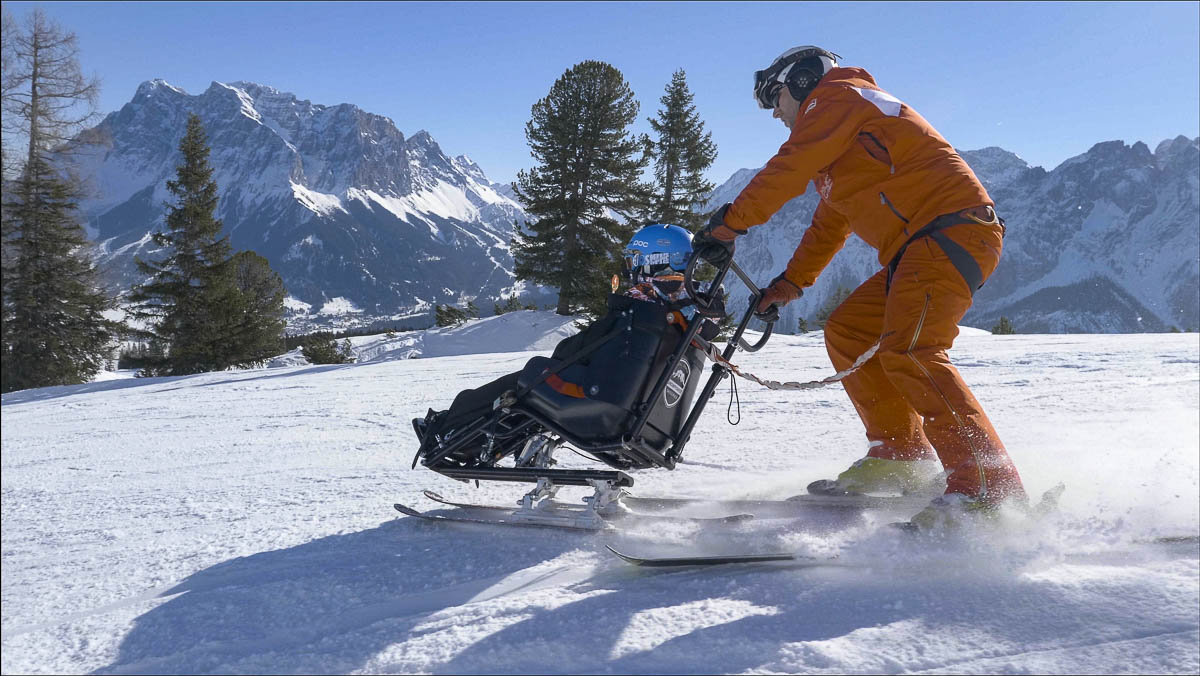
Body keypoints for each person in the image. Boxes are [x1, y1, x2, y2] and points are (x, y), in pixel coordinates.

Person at [691, 46, 1025, 531]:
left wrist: (728, 225)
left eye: (776, 100)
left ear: (802, 81)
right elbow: (830, 227)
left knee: (913, 350)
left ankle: (987, 489)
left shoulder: (838, 98)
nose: (778, 116)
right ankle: (900, 455)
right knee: (850, 328)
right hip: (920, 248)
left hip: (950, 232)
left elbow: (787, 168)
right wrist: (790, 283)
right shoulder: (842, 145)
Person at [414, 223, 710, 460]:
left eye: (634, 261)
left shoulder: (640, 310)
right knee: (536, 387)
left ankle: (449, 432)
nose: (631, 270)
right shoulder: (685, 317)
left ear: (654, 262)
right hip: (654, 431)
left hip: (604, 409)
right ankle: (484, 440)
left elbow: (575, 349)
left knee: (529, 379)